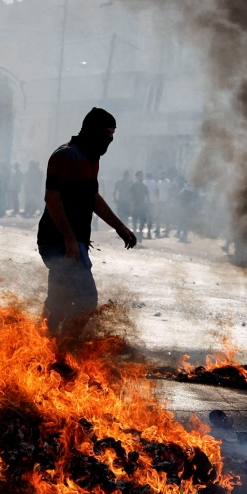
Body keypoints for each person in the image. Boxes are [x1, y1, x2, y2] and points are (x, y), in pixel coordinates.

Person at [37, 108, 136, 335]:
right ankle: (69, 345)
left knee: (58, 299)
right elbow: (52, 198)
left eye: (112, 135)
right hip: (57, 240)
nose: (109, 140)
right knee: (86, 298)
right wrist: (69, 240)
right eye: (106, 134)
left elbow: (92, 197)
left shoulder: (91, 159)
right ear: (91, 131)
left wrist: (119, 227)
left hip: (74, 240)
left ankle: (44, 344)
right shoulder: (65, 156)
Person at [129, 171, 149, 240]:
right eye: (140, 176)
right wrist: (132, 206)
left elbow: (147, 196)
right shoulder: (133, 186)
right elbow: (131, 196)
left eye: (142, 176)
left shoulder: (144, 186)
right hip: (135, 205)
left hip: (142, 205)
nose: (141, 177)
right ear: (137, 177)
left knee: (143, 221)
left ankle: (140, 233)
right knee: (135, 220)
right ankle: (134, 233)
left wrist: (147, 205)